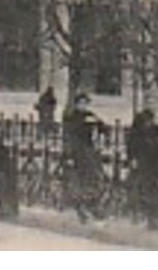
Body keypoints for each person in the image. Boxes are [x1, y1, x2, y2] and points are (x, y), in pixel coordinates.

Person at [61, 93, 106, 223]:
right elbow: (69, 137)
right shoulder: (71, 118)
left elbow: (103, 127)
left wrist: (98, 126)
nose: (84, 106)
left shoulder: (89, 115)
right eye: (81, 103)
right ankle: (81, 209)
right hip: (76, 153)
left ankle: (93, 206)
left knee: (94, 179)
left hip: (89, 152)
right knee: (78, 182)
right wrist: (68, 155)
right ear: (76, 104)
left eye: (85, 103)